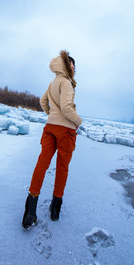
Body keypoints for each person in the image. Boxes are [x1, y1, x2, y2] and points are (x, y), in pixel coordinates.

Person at [22, 50, 82, 229]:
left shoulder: (52, 83)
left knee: (42, 164)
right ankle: (55, 208)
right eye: (72, 63)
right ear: (66, 64)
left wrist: (51, 115)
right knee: (62, 168)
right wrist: (78, 121)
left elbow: (43, 101)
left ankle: (29, 211)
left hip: (50, 129)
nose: (74, 66)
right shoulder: (67, 83)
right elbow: (65, 107)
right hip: (66, 131)